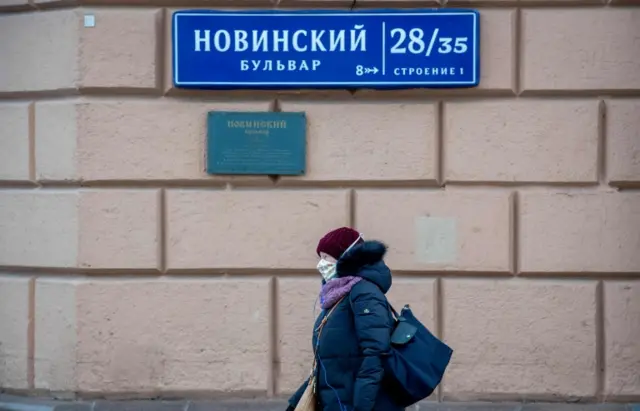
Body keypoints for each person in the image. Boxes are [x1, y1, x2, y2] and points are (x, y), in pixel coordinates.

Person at [287, 227, 405, 411]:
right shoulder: (339, 296)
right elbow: (328, 363)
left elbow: (376, 355)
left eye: (326, 257)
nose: (320, 264)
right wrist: (296, 403)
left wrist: (361, 406)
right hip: (336, 402)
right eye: (320, 257)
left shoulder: (364, 294)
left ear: (346, 258)